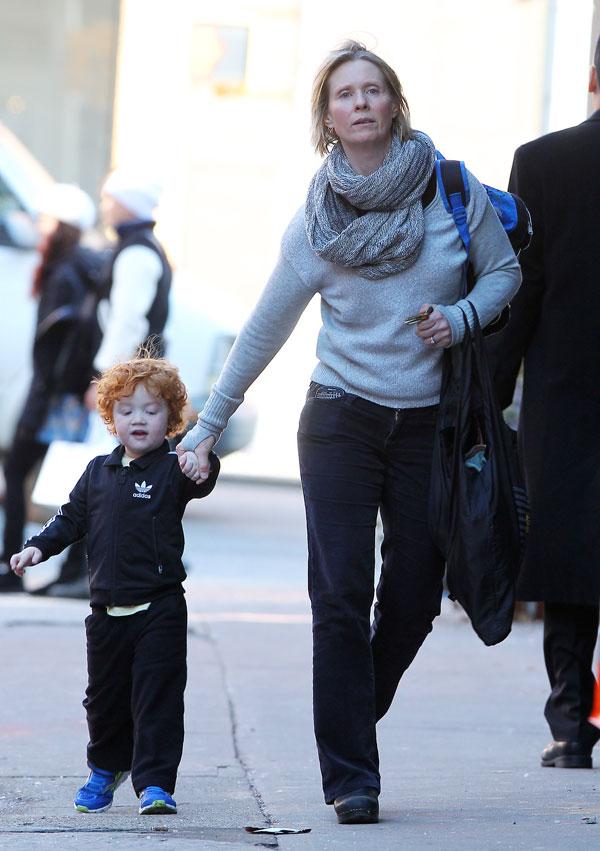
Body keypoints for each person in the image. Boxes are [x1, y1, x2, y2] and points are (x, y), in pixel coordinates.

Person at [177, 40, 521, 823]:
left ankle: (348, 712)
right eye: (344, 94)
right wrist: (208, 424)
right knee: (337, 595)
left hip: (428, 424)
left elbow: (504, 274)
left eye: (373, 91)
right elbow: (265, 326)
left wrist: (462, 315)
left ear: (395, 104)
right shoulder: (316, 221)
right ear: (327, 119)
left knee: (412, 596)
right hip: (339, 417)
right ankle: (351, 777)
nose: (361, 102)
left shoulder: (449, 188)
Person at [10, 356, 219, 814]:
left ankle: (155, 784)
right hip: (105, 612)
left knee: (157, 698)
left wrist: (203, 460)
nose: (138, 419)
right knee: (103, 702)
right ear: (110, 418)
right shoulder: (96, 472)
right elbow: (70, 518)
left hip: (160, 608)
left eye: (150, 410)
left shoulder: (173, 469)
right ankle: (106, 768)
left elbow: (202, 480)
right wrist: (37, 548)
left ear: (170, 418)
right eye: (125, 410)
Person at [487, 36, 600, 770]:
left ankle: (570, 724)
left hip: (567, 396)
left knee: (571, 561)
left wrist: (490, 392)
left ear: (593, 75)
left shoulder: (544, 162)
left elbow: (516, 289)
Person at [45, 169, 173, 598]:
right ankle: (72, 571)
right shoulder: (135, 250)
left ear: (129, 203)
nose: (104, 208)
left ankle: (82, 574)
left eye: (110, 199)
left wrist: (105, 383)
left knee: (103, 481)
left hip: (126, 388)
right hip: (127, 386)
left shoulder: (137, 255)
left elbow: (126, 323)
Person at [0, 183, 98, 593]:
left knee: (21, 470)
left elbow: (60, 344)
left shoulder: (65, 272)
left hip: (55, 396)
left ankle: (12, 569)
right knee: (73, 484)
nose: (39, 229)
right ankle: (64, 569)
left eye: (45, 221)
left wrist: (44, 396)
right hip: (69, 394)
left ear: (60, 226)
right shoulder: (85, 267)